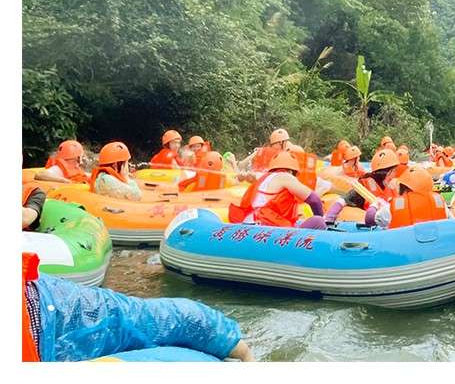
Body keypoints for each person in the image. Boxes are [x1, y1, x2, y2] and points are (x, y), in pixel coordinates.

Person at [22, 252, 254, 362]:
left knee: (144, 319)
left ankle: (237, 349)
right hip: (45, 314)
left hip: (45, 311)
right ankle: (238, 349)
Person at [228, 152, 325, 229]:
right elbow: (314, 200)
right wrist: (322, 219)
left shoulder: (265, 177)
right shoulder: (286, 176)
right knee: (318, 222)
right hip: (266, 225)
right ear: (291, 171)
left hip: (249, 222)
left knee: (298, 222)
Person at [324, 148, 401, 226]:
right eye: (394, 170)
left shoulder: (395, 187)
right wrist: (329, 217)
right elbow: (343, 200)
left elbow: (401, 208)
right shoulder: (364, 188)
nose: (396, 173)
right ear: (387, 173)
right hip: (370, 221)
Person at [380, 167, 451, 228]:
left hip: (405, 242)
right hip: (437, 243)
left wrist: (374, 206)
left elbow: (373, 217)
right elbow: (452, 223)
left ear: (402, 187)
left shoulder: (393, 206)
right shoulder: (439, 203)